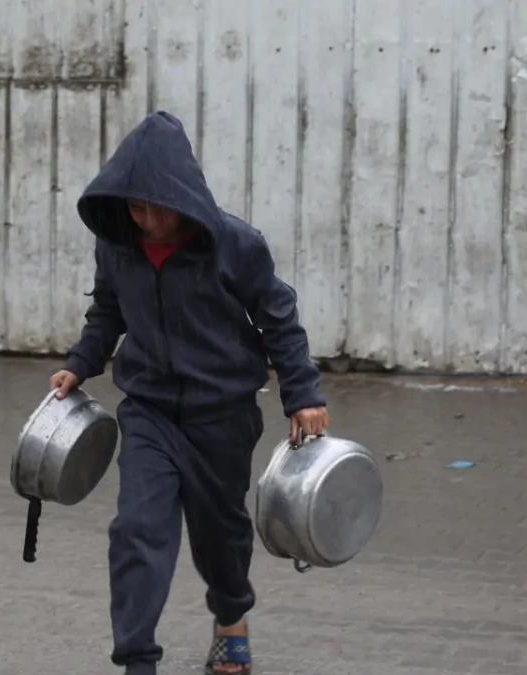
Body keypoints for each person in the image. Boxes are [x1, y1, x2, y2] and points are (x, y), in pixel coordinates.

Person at [48, 111, 330, 675]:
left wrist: (302, 392)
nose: (149, 221)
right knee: (137, 530)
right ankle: (137, 661)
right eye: (136, 207)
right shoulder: (118, 246)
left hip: (221, 415)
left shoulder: (237, 245)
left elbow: (279, 320)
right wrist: (80, 364)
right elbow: (107, 311)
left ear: (185, 195)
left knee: (218, 531)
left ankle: (231, 617)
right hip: (149, 412)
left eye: (159, 207)